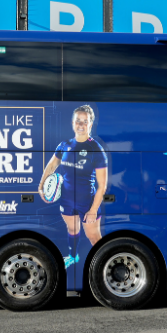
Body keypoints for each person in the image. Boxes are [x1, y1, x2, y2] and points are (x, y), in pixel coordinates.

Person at [38, 105, 108, 268]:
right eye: (78, 121)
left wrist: (93, 210)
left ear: (90, 124)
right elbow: (51, 166)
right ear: (72, 123)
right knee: (72, 229)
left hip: (87, 202)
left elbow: (102, 185)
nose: (81, 125)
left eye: (85, 121)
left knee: (93, 237)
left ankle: (103, 264)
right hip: (67, 199)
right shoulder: (64, 145)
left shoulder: (96, 150)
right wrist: (41, 186)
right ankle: (73, 256)